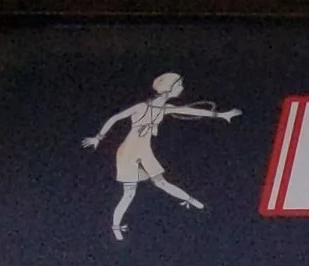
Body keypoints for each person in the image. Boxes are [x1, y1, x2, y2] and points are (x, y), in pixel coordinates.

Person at [83, 74, 240, 243]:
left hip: (144, 150)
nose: (182, 88)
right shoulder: (142, 106)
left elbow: (190, 110)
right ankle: (115, 226)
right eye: (179, 85)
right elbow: (116, 118)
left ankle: (193, 201)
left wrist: (220, 115)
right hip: (128, 151)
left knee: (161, 182)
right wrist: (98, 138)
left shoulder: (165, 109)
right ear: (168, 88)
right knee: (129, 193)